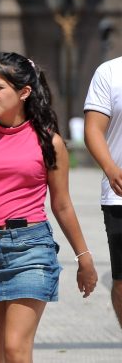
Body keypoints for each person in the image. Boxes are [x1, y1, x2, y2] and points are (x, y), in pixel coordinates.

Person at [0, 52, 98, 362]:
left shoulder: (49, 143)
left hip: (31, 250)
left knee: (15, 349)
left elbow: (62, 205)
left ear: (24, 92)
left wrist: (84, 257)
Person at [84, 54, 122, 328]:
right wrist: (110, 169)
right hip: (119, 197)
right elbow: (93, 129)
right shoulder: (110, 72)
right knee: (121, 282)